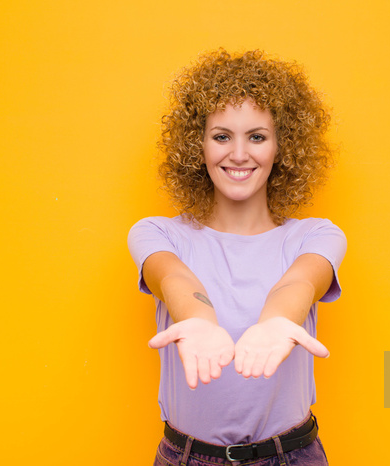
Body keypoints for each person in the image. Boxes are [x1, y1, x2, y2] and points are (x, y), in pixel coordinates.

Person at [128, 49, 346, 465]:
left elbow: (299, 282)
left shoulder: (316, 235)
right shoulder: (158, 233)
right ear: (198, 145)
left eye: (257, 136)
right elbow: (173, 277)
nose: (240, 154)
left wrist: (277, 321)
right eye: (222, 136)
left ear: (283, 146)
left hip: (291, 456)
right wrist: (197, 320)